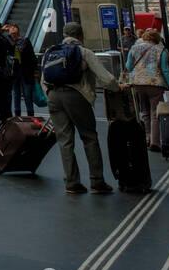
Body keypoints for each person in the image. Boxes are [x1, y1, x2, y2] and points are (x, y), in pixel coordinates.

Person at [41, 22, 116, 194]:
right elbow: (107, 79)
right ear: (81, 35)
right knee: (89, 137)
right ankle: (97, 181)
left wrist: (51, 95)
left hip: (53, 96)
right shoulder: (84, 52)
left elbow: (43, 79)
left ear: (64, 35)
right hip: (76, 96)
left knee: (64, 140)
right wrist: (118, 88)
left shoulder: (50, 52)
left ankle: (71, 182)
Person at [126, 28, 169, 152]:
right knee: (155, 113)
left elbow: (128, 66)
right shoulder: (161, 50)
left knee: (144, 111)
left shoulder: (134, 48)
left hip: (138, 84)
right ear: (157, 39)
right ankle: (155, 141)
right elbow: (165, 70)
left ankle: (146, 138)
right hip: (155, 84)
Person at [8, 23, 37, 117]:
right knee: (15, 95)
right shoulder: (9, 42)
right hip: (15, 73)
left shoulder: (25, 41)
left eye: (14, 27)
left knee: (27, 95)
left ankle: (30, 116)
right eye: (10, 28)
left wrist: (10, 39)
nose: (12, 28)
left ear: (18, 30)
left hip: (26, 72)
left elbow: (19, 52)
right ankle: (17, 116)